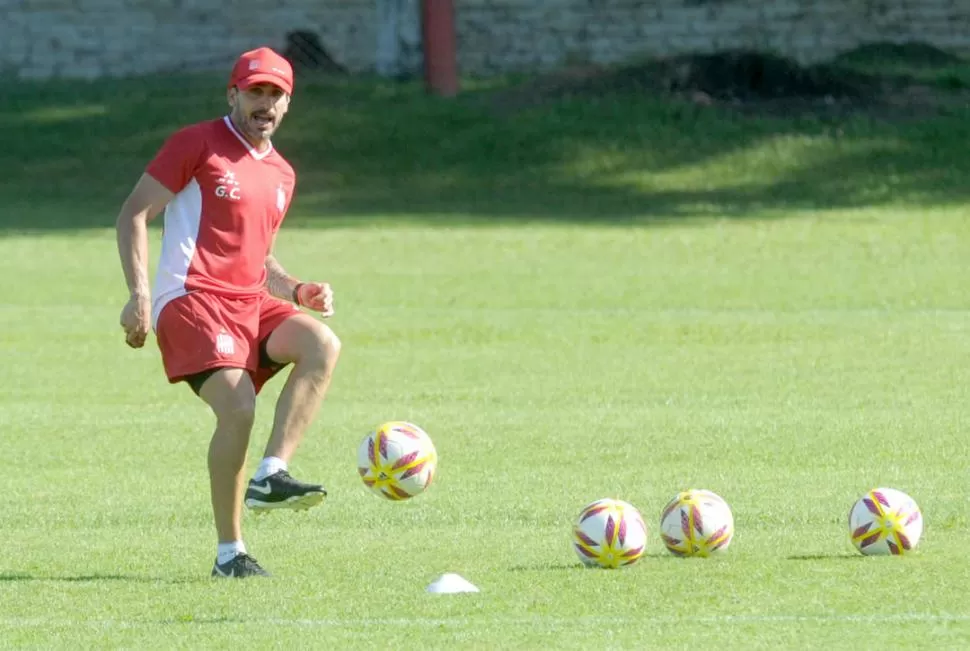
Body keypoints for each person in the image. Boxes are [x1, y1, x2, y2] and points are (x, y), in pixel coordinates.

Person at [115, 47, 341, 578]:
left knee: (321, 344)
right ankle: (230, 553)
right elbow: (133, 213)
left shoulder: (282, 173)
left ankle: (272, 472)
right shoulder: (197, 142)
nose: (265, 102)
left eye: (275, 94)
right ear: (232, 95)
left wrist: (298, 288)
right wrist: (140, 294)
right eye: (255, 91)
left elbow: (259, 257)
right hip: (191, 297)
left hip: (249, 301)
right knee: (238, 406)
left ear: (287, 103)